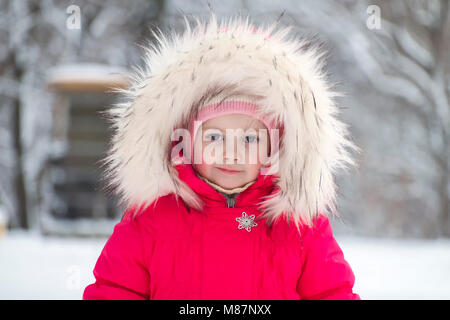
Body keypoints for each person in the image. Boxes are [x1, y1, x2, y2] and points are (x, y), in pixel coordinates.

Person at [83, 13, 361, 300]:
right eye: (214, 137)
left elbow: (332, 293)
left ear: (275, 149)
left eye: (250, 139)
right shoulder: (151, 220)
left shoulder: (300, 227)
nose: (231, 153)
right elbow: (115, 290)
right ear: (186, 144)